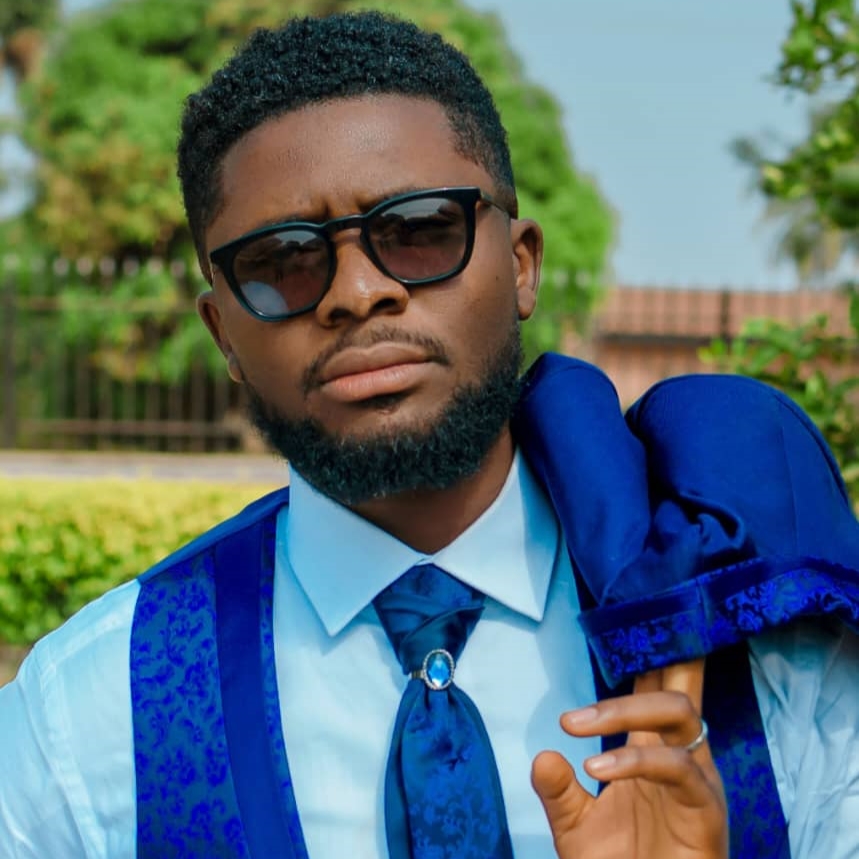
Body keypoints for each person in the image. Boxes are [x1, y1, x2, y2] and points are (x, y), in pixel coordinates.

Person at [0, 11, 857, 859]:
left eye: (417, 231)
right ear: (224, 333)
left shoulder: (763, 642)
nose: (356, 292)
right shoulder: (82, 722)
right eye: (282, 262)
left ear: (520, 265)